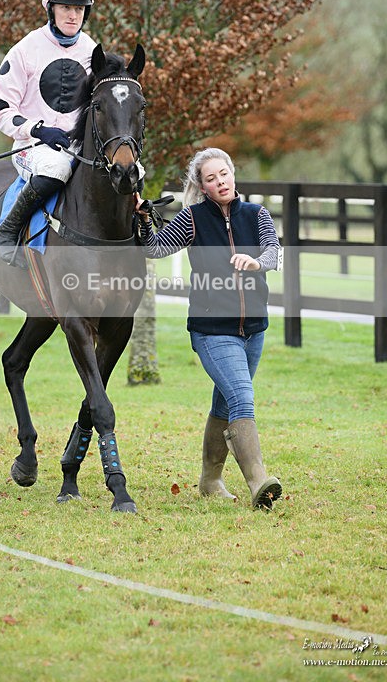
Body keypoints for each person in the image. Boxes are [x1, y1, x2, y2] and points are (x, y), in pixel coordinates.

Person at [136, 147, 283, 509]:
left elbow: (273, 251)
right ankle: (258, 481)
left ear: (233, 175)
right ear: (202, 187)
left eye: (224, 174)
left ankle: (210, 480)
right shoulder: (193, 219)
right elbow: (153, 249)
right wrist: (142, 220)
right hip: (212, 330)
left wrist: (256, 262)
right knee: (242, 397)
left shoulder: (256, 214)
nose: (220, 182)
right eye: (211, 178)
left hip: (254, 330)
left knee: (225, 401)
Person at [0, 0, 97, 267]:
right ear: (50, 8)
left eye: (79, 8)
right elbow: (0, 110)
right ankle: (6, 232)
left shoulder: (92, 52)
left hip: (79, 147)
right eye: (66, 7)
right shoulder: (24, 51)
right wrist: (38, 130)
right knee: (57, 166)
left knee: (128, 169)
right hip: (34, 149)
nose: (73, 15)